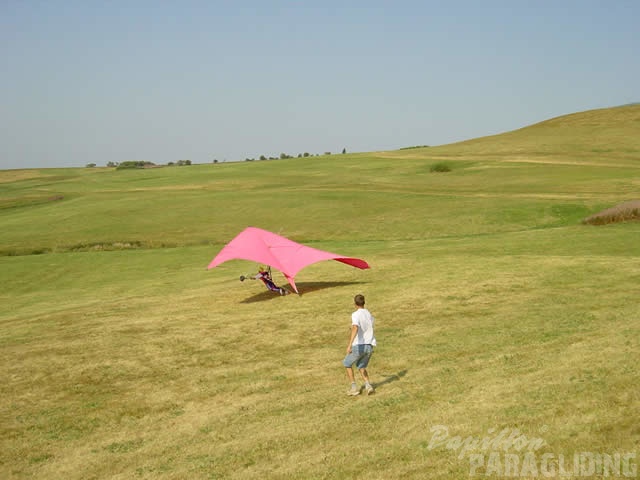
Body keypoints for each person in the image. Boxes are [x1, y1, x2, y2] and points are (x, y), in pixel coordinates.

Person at [342, 294, 376, 396]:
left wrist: (349, 345)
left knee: (347, 363)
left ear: (355, 304)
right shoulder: (368, 314)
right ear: (364, 302)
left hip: (359, 346)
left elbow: (356, 328)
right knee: (361, 366)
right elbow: (366, 327)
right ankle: (368, 386)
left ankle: (354, 388)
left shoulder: (355, 314)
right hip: (369, 346)